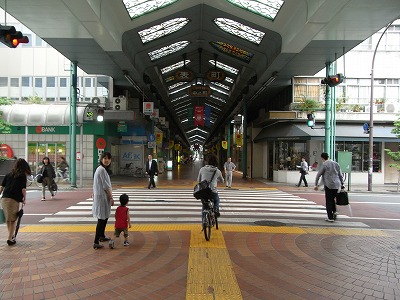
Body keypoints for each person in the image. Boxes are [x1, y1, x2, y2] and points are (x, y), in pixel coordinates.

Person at [0, 158, 31, 246]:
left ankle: (11, 236)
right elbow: (23, 189)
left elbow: (1, 187)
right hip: (13, 199)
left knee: (8, 219)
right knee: (13, 220)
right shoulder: (22, 176)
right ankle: (10, 239)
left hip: (4, 199)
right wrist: (24, 199)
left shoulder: (8, 174)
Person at [92, 152, 114, 249]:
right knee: (101, 219)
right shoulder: (102, 170)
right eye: (104, 158)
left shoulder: (101, 169)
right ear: (101, 159)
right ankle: (96, 241)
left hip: (101, 197)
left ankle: (101, 236)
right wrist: (111, 197)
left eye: (108, 158)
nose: (106, 160)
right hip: (102, 198)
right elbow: (105, 186)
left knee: (104, 217)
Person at [314, 152, 345, 222]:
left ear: (322, 158)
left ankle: (330, 217)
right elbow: (340, 175)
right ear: (328, 156)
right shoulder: (336, 164)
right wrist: (342, 184)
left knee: (328, 201)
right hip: (337, 185)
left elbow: (318, 174)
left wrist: (316, 185)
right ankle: (334, 211)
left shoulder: (325, 164)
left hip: (329, 185)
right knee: (333, 199)